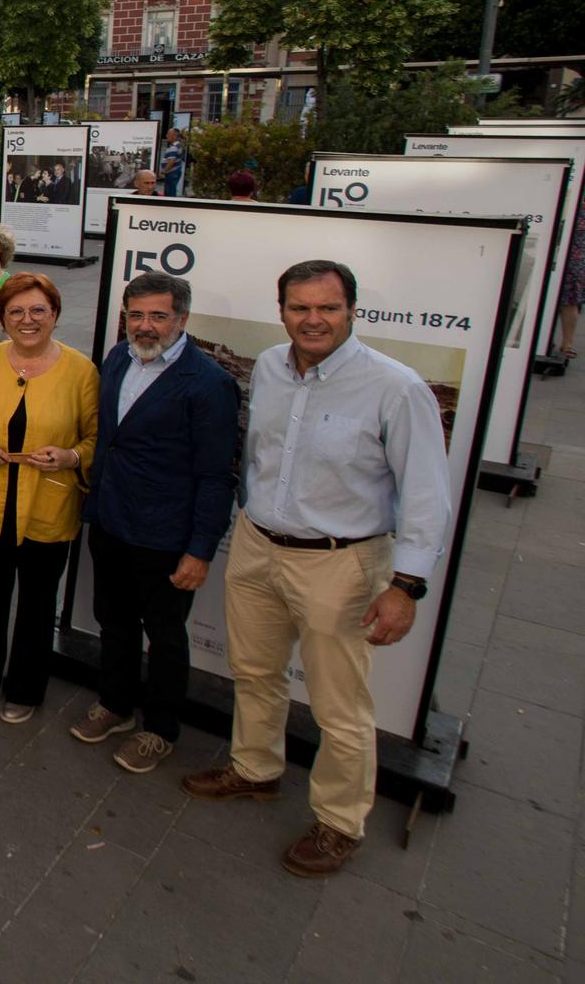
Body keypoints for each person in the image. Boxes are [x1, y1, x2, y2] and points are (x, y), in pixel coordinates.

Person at [182, 260, 453, 878]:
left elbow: (426, 496)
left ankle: (339, 820)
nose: (313, 319)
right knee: (253, 670)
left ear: (351, 310)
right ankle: (254, 768)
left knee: (339, 705)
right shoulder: (273, 368)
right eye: (300, 307)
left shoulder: (395, 388)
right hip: (256, 545)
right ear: (281, 310)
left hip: (341, 562)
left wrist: (405, 586)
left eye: (327, 308)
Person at [71, 272, 239, 774]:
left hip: (166, 535)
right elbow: (109, 439)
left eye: (158, 316)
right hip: (111, 521)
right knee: (113, 619)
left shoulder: (209, 385)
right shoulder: (120, 357)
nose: (145, 326)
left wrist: (200, 549)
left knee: (164, 636)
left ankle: (160, 730)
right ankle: (116, 705)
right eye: (136, 315)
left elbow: (216, 475)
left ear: (181, 319)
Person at [0, 273, 99, 724]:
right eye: (15, 311)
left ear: (55, 315)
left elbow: (95, 439)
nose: (27, 320)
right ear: (2, 318)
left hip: (47, 504)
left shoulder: (81, 371)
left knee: (37, 602)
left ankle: (26, 687)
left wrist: (72, 455)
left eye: (38, 310)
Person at [558, 208, 583, 360]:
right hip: (555, 256)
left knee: (569, 303)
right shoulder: (572, 206)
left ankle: (567, 343)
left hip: (575, 263)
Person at [159, 126, 185, 197]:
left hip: (172, 173)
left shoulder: (174, 146)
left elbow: (171, 161)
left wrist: (164, 171)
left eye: (168, 134)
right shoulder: (177, 145)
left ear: (174, 136)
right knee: (170, 191)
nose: (166, 136)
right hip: (174, 173)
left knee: (169, 193)